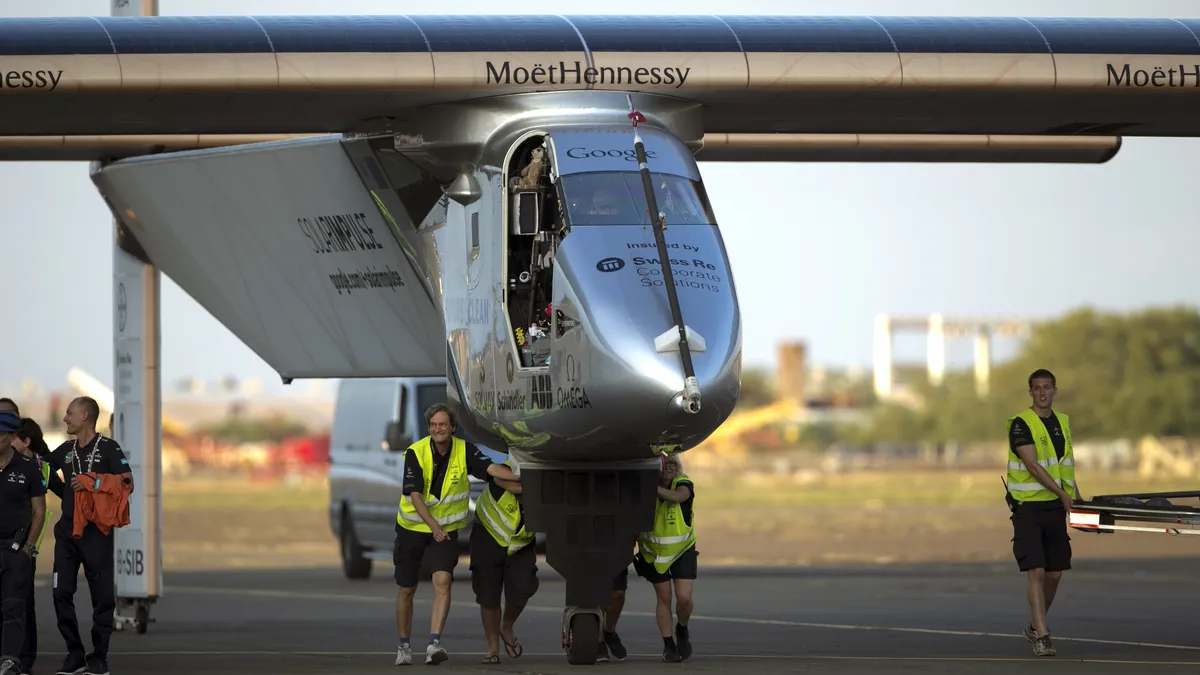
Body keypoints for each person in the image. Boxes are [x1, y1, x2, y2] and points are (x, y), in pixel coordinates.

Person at [393, 403, 519, 666]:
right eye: (433, 425)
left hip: (445, 531)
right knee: (407, 588)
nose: (437, 429)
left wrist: (523, 478)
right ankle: (404, 646)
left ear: (452, 428)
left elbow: (491, 469)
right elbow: (415, 496)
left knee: (443, 581)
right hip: (413, 528)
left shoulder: (464, 450)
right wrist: (434, 527)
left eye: (442, 424)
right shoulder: (416, 452)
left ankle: (434, 643)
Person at [48, 397, 133, 675]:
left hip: (97, 534)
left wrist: (92, 482)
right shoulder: (66, 449)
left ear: (85, 416)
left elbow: (128, 482)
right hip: (67, 533)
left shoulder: (108, 447)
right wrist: (66, 493)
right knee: (60, 592)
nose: (65, 419)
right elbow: (43, 470)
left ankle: (98, 657)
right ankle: (75, 653)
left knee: (103, 598)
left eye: (69, 413)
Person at [1005, 368, 1080, 658]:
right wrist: (1062, 494)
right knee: (1036, 569)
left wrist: (1076, 497)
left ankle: (1035, 626)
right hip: (1028, 508)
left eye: (1047, 387)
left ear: (1054, 390)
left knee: (1055, 573)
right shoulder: (1021, 424)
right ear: (1030, 392)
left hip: (1054, 508)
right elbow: (1033, 466)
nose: (1042, 392)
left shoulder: (1062, 422)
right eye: (1037, 388)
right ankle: (1043, 636)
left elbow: (1064, 466)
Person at [469, 459, 538, 664]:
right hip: (487, 535)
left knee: (522, 588)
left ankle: (506, 626)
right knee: (488, 595)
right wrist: (539, 487)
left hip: (520, 542)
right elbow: (501, 480)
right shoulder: (511, 464)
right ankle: (492, 648)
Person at [633, 453, 696, 662]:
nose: (669, 467)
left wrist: (650, 489)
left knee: (684, 599)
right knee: (664, 597)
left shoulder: (683, 483)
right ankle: (668, 644)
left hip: (682, 549)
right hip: (653, 553)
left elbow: (678, 497)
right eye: (664, 463)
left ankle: (682, 628)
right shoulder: (643, 485)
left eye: (673, 463)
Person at [10, 418, 59, 675]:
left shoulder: (41, 468)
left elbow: (65, 494)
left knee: (24, 602)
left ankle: (25, 658)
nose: (9, 441)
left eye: (14, 438)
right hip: (9, 539)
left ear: (26, 441)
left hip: (26, 544)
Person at [0, 410, 46, 675]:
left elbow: (39, 511)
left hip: (15, 549)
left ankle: (10, 661)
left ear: (11, 437)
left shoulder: (28, 468)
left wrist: (28, 547)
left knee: (14, 607)